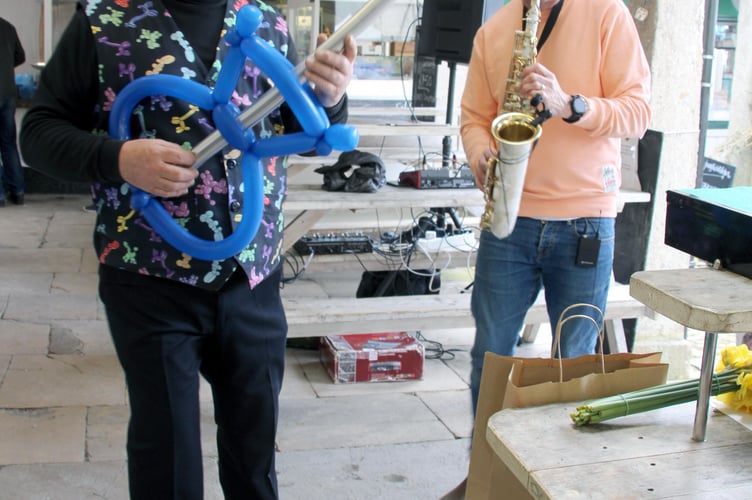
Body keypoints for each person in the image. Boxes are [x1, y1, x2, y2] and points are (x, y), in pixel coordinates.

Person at [20, 1, 356, 498]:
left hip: (252, 281)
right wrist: (118, 158)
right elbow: (39, 133)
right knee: (167, 460)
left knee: (255, 457)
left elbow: (295, 133)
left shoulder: (266, 22)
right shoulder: (105, 17)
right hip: (150, 278)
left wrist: (329, 101)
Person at [460, 0, 651, 412]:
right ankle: (486, 474)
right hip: (508, 220)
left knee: (573, 368)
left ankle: (554, 475)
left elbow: (638, 113)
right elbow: (474, 117)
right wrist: (478, 153)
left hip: (585, 223)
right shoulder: (492, 31)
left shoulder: (606, 12)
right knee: (489, 361)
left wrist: (572, 105)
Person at [0, 16, 26, 207]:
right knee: (8, 143)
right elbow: (20, 57)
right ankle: (17, 191)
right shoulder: (8, 26)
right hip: (8, 92)